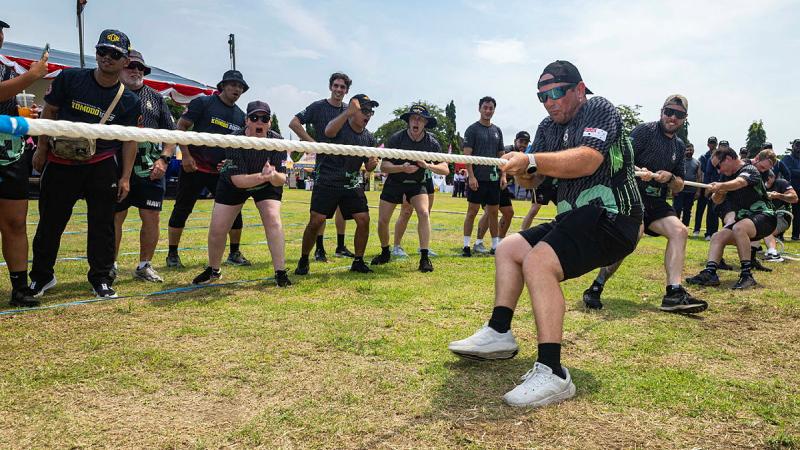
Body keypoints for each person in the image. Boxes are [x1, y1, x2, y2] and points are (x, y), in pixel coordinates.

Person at [449, 60, 642, 408]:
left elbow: (587, 159)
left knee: (539, 263)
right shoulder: (547, 127)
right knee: (509, 249)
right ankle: (499, 332)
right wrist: (521, 168)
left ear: (579, 90)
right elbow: (535, 180)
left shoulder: (599, 108)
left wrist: (532, 160)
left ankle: (552, 371)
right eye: (542, 96)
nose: (549, 101)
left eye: (556, 93)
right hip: (575, 217)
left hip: (614, 218)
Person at [29, 30, 140, 299]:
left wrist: (125, 177)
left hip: (101, 165)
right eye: (102, 51)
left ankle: (101, 278)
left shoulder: (129, 100)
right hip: (60, 161)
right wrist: (42, 149)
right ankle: (42, 277)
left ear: (125, 60)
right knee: (50, 223)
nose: (107, 58)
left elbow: (130, 141)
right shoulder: (70, 78)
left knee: (102, 225)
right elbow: (50, 112)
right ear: (96, 52)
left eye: (115, 54)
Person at [581, 95, 705, 313]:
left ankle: (674, 292)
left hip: (656, 201)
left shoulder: (679, 145)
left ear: (685, 118)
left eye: (679, 114)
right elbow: (619, 159)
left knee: (680, 231)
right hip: (631, 195)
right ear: (661, 111)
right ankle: (596, 286)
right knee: (632, 236)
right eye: (669, 111)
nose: (672, 117)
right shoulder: (644, 131)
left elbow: (679, 185)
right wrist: (639, 170)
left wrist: (670, 178)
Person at [192, 101, 291, 287]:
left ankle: (280, 272)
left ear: (269, 123)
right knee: (218, 227)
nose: (258, 122)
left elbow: (281, 179)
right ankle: (214, 270)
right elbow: (239, 181)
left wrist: (273, 175)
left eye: (264, 118)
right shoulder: (234, 139)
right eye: (254, 117)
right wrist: (265, 176)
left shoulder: (278, 141)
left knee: (273, 219)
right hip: (234, 183)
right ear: (246, 121)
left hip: (266, 183)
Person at [166, 70, 247, 268]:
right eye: (233, 84)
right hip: (194, 167)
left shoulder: (241, 116)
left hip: (221, 172)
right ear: (223, 85)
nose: (237, 89)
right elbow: (181, 127)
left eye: (240, 87)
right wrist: (185, 155)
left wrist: (230, 164)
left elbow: (238, 147)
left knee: (235, 211)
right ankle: (172, 254)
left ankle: (234, 253)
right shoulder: (203, 103)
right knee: (182, 209)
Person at [294, 95, 379, 275]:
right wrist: (348, 111)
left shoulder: (369, 138)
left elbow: (369, 166)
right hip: (327, 180)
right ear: (353, 111)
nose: (368, 115)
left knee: (363, 220)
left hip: (351, 183)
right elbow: (328, 132)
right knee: (316, 222)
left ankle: (358, 260)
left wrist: (373, 162)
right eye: (364, 110)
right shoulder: (338, 126)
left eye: (370, 111)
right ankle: (303, 260)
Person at [113, 50, 176, 283]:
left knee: (151, 216)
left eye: (140, 68)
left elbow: (171, 135)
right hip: (116, 164)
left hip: (150, 168)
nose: (136, 71)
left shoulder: (157, 98)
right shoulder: (111, 92)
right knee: (115, 216)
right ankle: (110, 265)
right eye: (131, 66)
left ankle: (144, 265)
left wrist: (164, 159)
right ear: (120, 67)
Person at [0, 19, 50, 306]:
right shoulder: (20, 74)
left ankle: (19, 288)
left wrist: (25, 115)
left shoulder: (8, 70)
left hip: (11, 157)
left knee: (16, 222)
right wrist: (31, 76)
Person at [370, 104, 448, 272]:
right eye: (413, 118)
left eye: (420, 119)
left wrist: (427, 165)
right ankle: (385, 251)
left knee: (424, 213)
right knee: (383, 219)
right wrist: (401, 168)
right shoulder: (396, 138)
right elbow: (384, 166)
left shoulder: (432, 142)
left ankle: (424, 258)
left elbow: (445, 168)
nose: (416, 121)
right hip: (395, 182)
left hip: (417, 183)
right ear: (408, 121)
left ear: (425, 123)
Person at [687, 147, 776, 290]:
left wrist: (722, 186)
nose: (718, 171)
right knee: (717, 236)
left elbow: (740, 182)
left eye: (719, 166)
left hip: (765, 217)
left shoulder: (750, 170)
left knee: (738, 228)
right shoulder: (725, 177)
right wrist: (718, 192)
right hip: (744, 220)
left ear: (728, 159)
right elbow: (717, 201)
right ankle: (710, 273)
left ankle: (747, 276)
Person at [288, 72, 354, 261]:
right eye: (336, 85)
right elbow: (294, 123)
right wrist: (313, 144)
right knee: (321, 212)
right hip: (324, 166)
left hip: (345, 165)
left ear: (347, 90)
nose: (339, 89)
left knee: (343, 209)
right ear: (330, 86)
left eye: (342, 87)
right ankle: (319, 249)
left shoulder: (349, 109)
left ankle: (341, 247)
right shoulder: (318, 107)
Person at [461, 97, 505, 257]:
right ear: (479, 109)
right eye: (485, 107)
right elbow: (467, 156)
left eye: (491, 108)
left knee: (493, 212)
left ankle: (495, 246)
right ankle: (466, 246)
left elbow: (502, 156)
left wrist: (503, 175)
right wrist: (471, 177)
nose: (488, 111)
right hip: (477, 179)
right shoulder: (472, 129)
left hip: (493, 179)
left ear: (494, 110)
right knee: (471, 212)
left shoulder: (497, 130)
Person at [474, 131, 531, 247]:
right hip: (490, 182)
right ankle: (478, 242)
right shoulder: (506, 151)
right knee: (489, 212)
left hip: (502, 186)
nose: (523, 145)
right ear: (515, 141)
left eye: (526, 143)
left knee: (509, 213)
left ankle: (500, 243)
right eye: (521, 141)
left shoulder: (524, 156)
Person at [763, 169, 797, 261]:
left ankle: (773, 253)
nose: (765, 183)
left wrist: (778, 195)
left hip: (782, 216)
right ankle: (755, 248)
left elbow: (794, 198)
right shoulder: (760, 185)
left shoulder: (782, 183)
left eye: (766, 179)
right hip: (767, 216)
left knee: (766, 230)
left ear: (773, 177)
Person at [693, 137, 718, 238]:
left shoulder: (719, 156)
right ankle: (696, 230)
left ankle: (709, 232)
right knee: (700, 210)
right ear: (708, 144)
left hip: (715, 187)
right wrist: (704, 188)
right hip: (704, 186)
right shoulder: (704, 157)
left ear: (716, 144)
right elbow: (701, 172)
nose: (712, 145)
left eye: (714, 143)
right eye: (711, 143)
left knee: (712, 212)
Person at [776, 139, 800, 240]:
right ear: (793, 146)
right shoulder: (787, 158)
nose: (798, 148)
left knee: (798, 214)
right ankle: (780, 234)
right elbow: (789, 172)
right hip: (788, 191)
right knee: (785, 213)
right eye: (797, 146)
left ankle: (795, 235)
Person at [673, 143, 701, 227]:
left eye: (691, 150)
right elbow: (673, 175)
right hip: (679, 190)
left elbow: (699, 177)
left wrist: (698, 191)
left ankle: (685, 227)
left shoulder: (697, 162)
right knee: (677, 209)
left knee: (687, 210)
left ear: (693, 151)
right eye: (687, 150)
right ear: (684, 151)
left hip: (691, 191)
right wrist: (673, 189)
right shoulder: (679, 161)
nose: (689, 151)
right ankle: (675, 227)